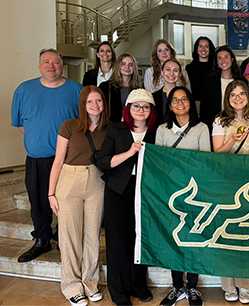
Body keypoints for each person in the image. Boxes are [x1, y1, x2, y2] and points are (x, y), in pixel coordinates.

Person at [11, 48, 82, 263]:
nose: (51, 66)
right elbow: (21, 124)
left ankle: (62, 236)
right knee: (39, 200)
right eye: (46, 62)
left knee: (67, 201)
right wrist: (40, 139)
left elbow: (84, 123)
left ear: (62, 65)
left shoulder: (76, 90)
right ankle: (41, 239)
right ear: (39, 65)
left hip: (68, 160)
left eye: (56, 62)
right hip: (37, 159)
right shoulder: (24, 90)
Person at [47, 86, 109, 306]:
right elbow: (57, 160)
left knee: (92, 236)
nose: (95, 106)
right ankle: (72, 286)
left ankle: (90, 283)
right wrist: (51, 193)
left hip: (95, 183)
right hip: (70, 182)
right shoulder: (70, 126)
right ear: (82, 105)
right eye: (90, 102)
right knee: (70, 236)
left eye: (98, 101)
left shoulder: (108, 128)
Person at [97, 89, 157, 306]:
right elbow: (102, 161)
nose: (141, 110)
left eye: (146, 106)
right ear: (128, 109)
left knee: (140, 239)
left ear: (151, 110)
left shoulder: (155, 132)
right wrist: (129, 152)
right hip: (118, 190)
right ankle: (119, 292)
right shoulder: (116, 129)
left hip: (145, 191)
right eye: (136, 106)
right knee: (117, 242)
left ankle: (138, 285)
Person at [156, 87, 210, 306]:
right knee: (174, 239)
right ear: (169, 106)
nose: (180, 103)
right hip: (171, 193)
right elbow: (160, 162)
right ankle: (177, 285)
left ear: (191, 103)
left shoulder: (201, 128)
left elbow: (204, 161)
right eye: (175, 100)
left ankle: (193, 287)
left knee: (193, 238)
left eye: (184, 99)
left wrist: (177, 163)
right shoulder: (162, 130)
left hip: (196, 193)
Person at [211, 80, 249, 304]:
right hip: (225, 183)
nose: (238, 98)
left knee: (245, 236)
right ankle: (228, 284)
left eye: (242, 94)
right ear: (227, 98)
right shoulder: (220, 121)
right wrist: (232, 140)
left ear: (248, 98)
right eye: (233, 94)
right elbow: (216, 154)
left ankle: (244, 284)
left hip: (248, 185)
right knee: (225, 234)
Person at [200, 45, 244, 132]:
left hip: (237, 125)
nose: (223, 61)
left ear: (232, 59)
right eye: (219, 58)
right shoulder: (210, 81)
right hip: (215, 126)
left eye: (226, 57)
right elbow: (204, 108)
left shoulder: (241, 81)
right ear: (216, 62)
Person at [99, 54, 142, 123]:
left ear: (134, 68)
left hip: (133, 127)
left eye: (131, 65)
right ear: (118, 66)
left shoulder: (140, 89)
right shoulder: (105, 87)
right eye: (123, 64)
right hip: (112, 127)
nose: (127, 67)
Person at [152, 59, 187, 126]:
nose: (171, 73)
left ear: (180, 75)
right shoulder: (153, 97)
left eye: (175, 70)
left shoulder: (186, 96)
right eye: (168, 69)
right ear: (162, 72)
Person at [186, 36, 216, 102]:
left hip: (212, 103)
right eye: (200, 46)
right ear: (196, 48)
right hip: (194, 103)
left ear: (210, 49)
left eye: (206, 46)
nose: (203, 49)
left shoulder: (216, 68)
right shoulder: (189, 68)